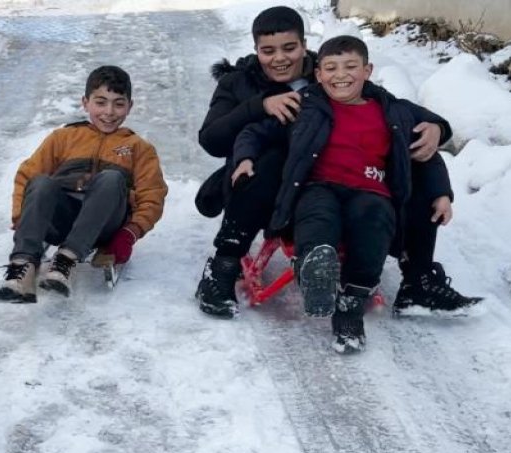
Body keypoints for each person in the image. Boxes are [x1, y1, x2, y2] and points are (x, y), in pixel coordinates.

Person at [194, 6, 480, 318]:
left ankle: (418, 281)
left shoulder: (332, 72)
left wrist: (437, 127)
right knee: (275, 158)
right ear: (256, 50)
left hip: (326, 182)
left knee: (408, 154)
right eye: (268, 51)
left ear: (305, 46)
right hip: (260, 184)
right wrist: (259, 106)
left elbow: (389, 109)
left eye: (289, 48)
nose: (280, 58)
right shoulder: (237, 83)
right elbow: (212, 140)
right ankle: (223, 267)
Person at [232, 36, 455, 351]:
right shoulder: (305, 104)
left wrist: (441, 187)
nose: (341, 75)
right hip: (317, 185)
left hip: (371, 190)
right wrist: (245, 158)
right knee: (317, 215)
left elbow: (430, 143)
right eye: (331, 68)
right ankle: (315, 273)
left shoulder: (393, 110)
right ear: (319, 74)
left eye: (351, 66)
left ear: (367, 70)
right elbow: (255, 131)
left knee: (374, 222)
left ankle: (351, 306)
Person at [0, 65, 169, 302]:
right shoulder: (63, 138)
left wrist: (130, 233)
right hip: (61, 219)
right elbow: (27, 176)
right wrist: (22, 218)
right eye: (101, 102)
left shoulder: (138, 148)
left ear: (130, 106)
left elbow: (152, 195)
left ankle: (67, 259)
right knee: (41, 181)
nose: (109, 112)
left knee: (112, 178)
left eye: (119, 103)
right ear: (85, 103)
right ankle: (22, 268)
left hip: (104, 224)